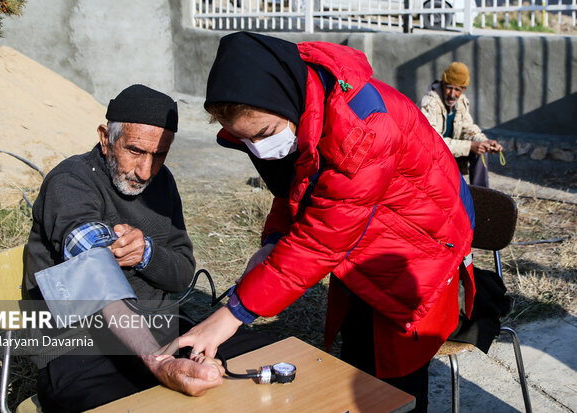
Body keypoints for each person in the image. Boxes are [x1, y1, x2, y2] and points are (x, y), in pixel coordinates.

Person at [178, 32, 476, 413]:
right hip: (373, 237)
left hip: (420, 249)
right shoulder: (307, 97)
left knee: (395, 381)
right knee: (357, 363)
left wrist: (234, 313)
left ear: (284, 100)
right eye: (246, 141)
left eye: (264, 135)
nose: (260, 149)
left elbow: (319, 241)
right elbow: (298, 184)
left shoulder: (363, 131)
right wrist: (272, 241)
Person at [25, 84, 269, 412]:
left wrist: (147, 254)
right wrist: (158, 363)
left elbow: (182, 273)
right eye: (136, 151)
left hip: (160, 330)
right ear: (105, 139)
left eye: (160, 155)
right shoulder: (70, 182)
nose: (145, 171)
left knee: (267, 356)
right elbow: (93, 273)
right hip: (81, 349)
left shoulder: (161, 181)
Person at [419, 62, 503, 187]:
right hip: (431, 157)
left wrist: (484, 142)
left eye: (457, 89)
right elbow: (433, 143)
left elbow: (468, 128)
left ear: (464, 90)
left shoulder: (461, 101)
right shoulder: (429, 103)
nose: (452, 94)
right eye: (449, 88)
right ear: (442, 85)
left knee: (480, 150)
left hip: (450, 153)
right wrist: (469, 146)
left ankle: (481, 195)